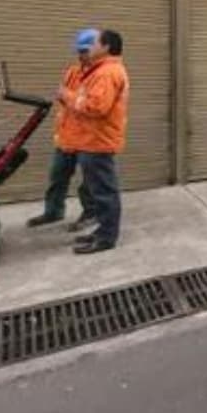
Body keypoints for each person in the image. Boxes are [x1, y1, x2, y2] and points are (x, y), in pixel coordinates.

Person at [43, 27, 130, 254]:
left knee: (104, 192)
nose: (85, 51)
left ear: (106, 47)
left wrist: (66, 95)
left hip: (97, 141)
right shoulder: (95, 70)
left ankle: (107, 238)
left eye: (92, 44)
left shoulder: (107, 73)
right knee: (99, 190)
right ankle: (102, 232)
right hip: (87, 140)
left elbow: (95, 107)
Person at [27, 28, 101, 234]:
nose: (81, 55)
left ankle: (91, 213)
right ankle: (54, 211)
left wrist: (68, 96)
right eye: (79, 51)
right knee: (57, 176)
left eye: (85, 51)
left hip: (89, 138)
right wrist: (67, 97)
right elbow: (64, 97)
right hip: (67, 135)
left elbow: (92, 107)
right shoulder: (72, 71)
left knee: (89, 182)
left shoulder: (103, 75)